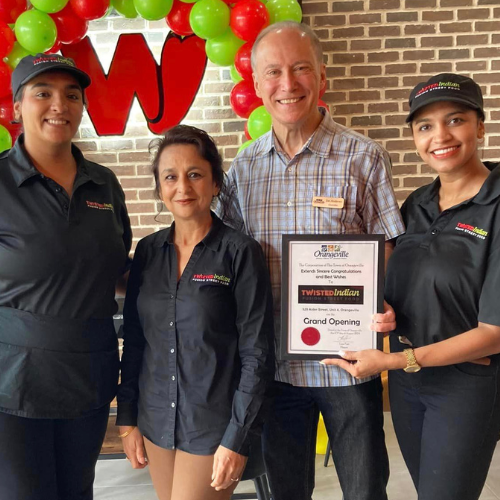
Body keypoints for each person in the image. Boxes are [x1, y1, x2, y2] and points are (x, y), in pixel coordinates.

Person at [218, 21, 405, 500]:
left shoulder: (363, 157)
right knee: (284, 492)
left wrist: (386, 307)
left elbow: (389, 253)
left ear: (322, 75)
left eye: (301, 68)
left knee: (365, 490)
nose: (288, 84)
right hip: (273, 371)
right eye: (274, 72)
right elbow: (229, 262)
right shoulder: (242, 170)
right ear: (257, 84)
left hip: (347, 364)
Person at [322, 73, 500, 500]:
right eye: (424, 126)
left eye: (455, 120)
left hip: (466, 385)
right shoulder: (416, 204)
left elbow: (494, 332)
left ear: (480, 125)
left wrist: (397, 361)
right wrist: (384, 313)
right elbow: (410, 288)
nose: (440, 135)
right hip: (409, 385)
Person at [116, 125, 274, 500]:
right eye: (170, 177)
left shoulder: (240, 252)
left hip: (212, 426)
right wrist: (127, 419)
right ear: (159, 187)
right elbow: (136, 339)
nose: (182, 188)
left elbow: (257, 354)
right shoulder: (148, 252)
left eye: (195, 175)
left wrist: (237, 438)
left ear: (216, 183)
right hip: (155, 419)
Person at [0, 54, 132, 500]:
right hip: (12, 383)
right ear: (17, 106)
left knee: (78, 492)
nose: (60, 104)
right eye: (43, 93)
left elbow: (117, 272)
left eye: (72, 95)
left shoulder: (104, 184)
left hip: (87, 377)